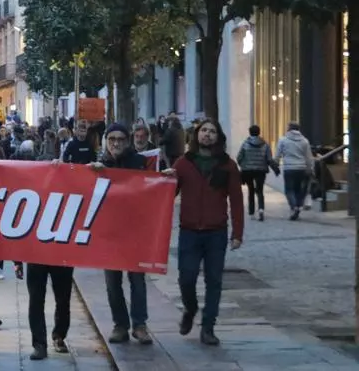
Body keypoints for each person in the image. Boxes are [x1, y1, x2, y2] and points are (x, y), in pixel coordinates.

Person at [165, 119, 244, 346]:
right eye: (204, 131)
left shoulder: (227, 165)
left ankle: (208, 327)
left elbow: (237, 201)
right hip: (189, 231)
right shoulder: (183, 163)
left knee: (214, 281)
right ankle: (190, 309)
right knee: (186, 278)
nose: (208, 135)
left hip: (216, 232)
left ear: (218, 137)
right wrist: (166, 179)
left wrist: (237, 233)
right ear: (196, 135)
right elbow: (169, 193)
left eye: (212, 132)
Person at [88, 123, 153, 345]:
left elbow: (153, 191)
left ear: (127, 141)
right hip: (109, 232)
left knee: (138, 280)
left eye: (121, 139)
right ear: (106, 141)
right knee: (112, 282)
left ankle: (140, 324)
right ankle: (120, 325)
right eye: (112, 139)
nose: (116, 143)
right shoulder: (98, 165)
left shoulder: (140, 163)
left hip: (135, 231)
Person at [237, 125, 278, 221]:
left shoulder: (245, 144)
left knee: (251, 191)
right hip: (261, 170)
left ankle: (251, 213)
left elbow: (239, 157)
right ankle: (261, 209)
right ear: (259, 132)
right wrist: (275, 168)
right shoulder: (265, 144)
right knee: (260, 190)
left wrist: (243, 165)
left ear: (250, 132)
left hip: (248, 171)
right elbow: (269, 159)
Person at [274, 122, 314, 220]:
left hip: (289, 168)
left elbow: (278, 155)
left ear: (289, 128)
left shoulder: (283, 140)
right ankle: (298, 206)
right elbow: (308, 157)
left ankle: (294, 207)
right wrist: (310, 168)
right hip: (301, 168)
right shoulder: (305, 141)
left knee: (289, 190)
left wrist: (276, 165)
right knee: (298, 190)